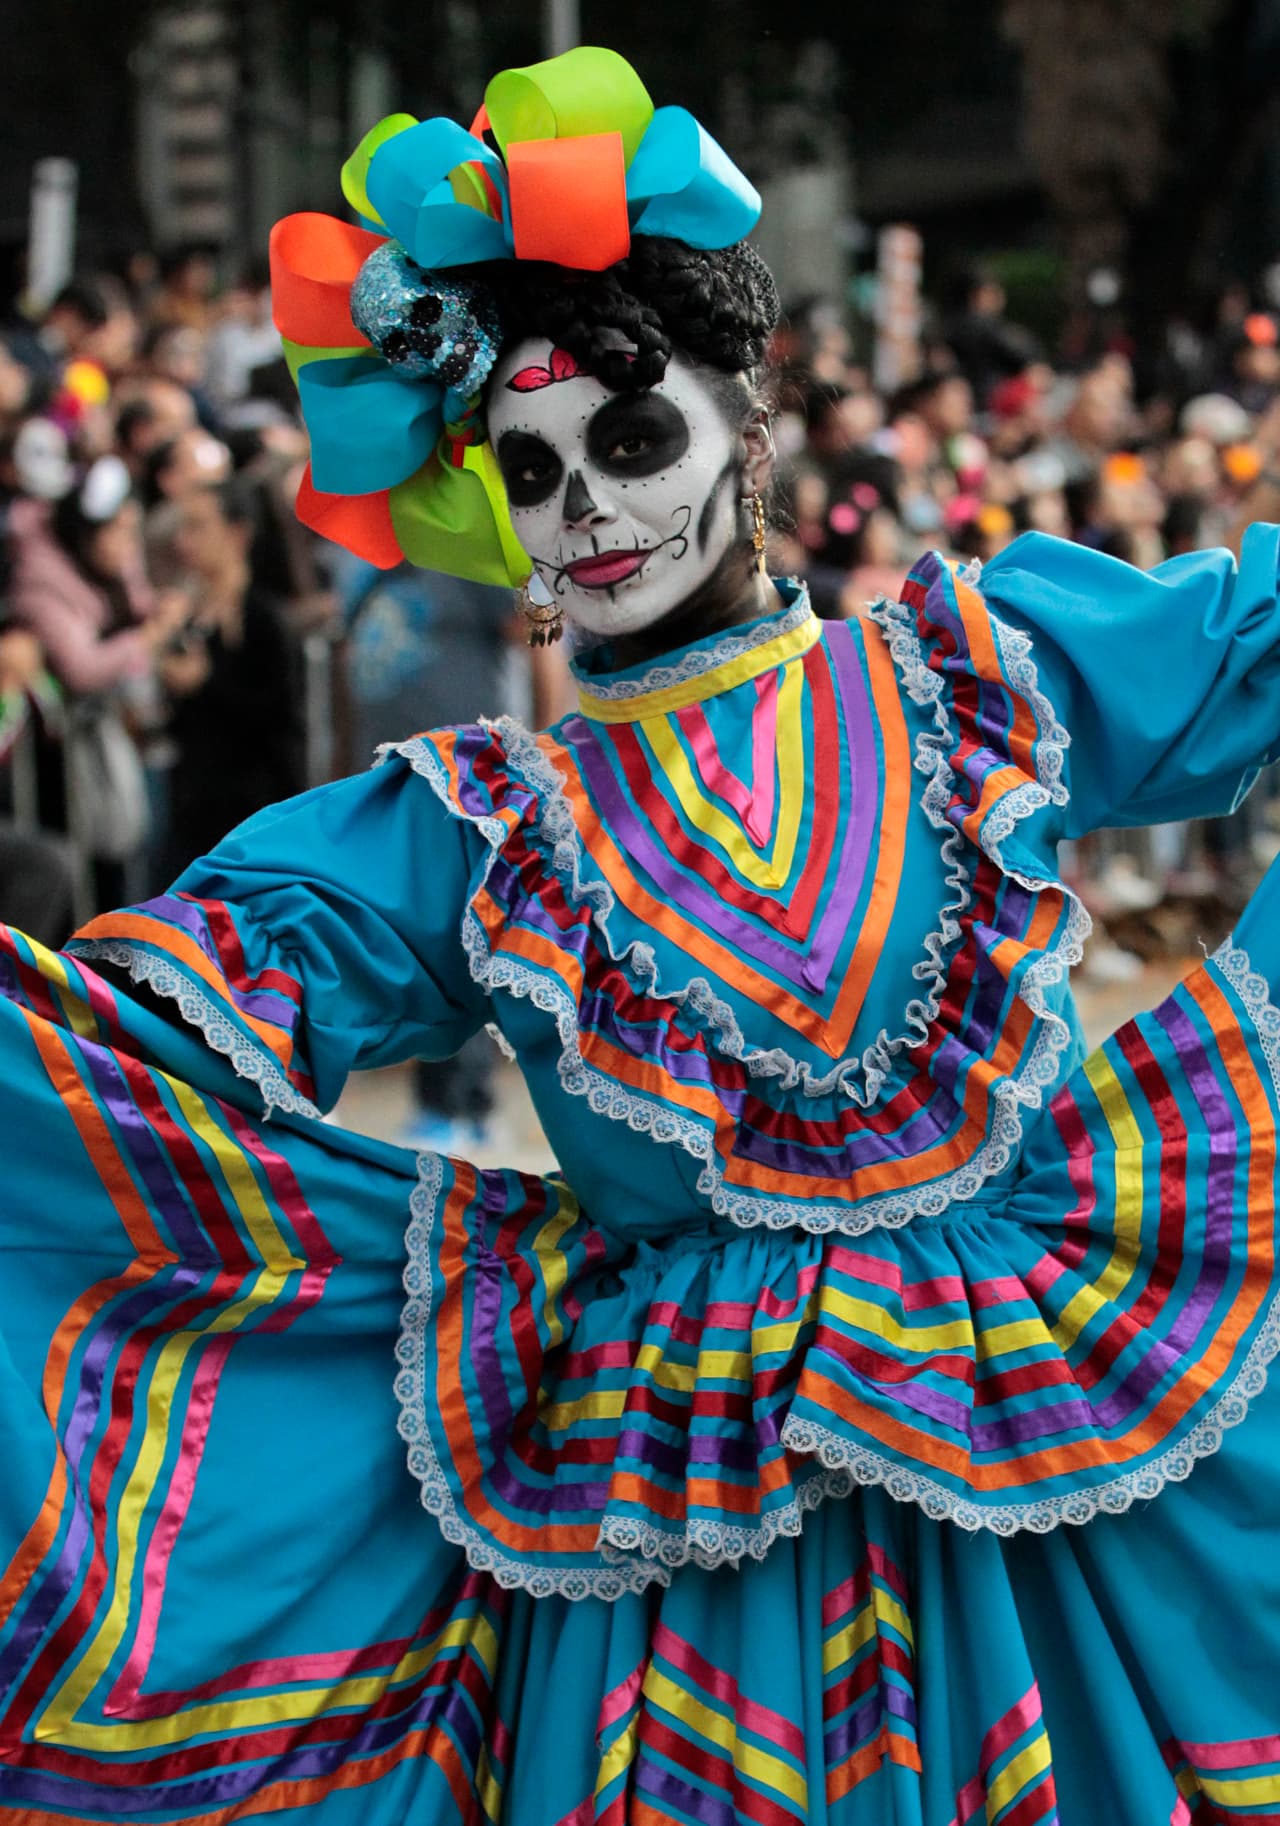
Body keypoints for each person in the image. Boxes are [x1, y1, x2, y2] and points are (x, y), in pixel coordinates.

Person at [3, 47, 1280, 1826]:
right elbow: (222, 969)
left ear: (746, 425)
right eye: (532, 473)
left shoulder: (976, 674)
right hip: (678, 1532)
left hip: (1025, 1467)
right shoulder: (486, 826)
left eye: (628, 435)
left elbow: (1249, 642)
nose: (588, 504)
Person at [154, 475, 305, 882]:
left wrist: (207, 683)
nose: (185, 541)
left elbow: (281, 718)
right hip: (192, 812)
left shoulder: (264, 620)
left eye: (199, 527)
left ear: (237, 534)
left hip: (253, 822)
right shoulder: (187, 619)